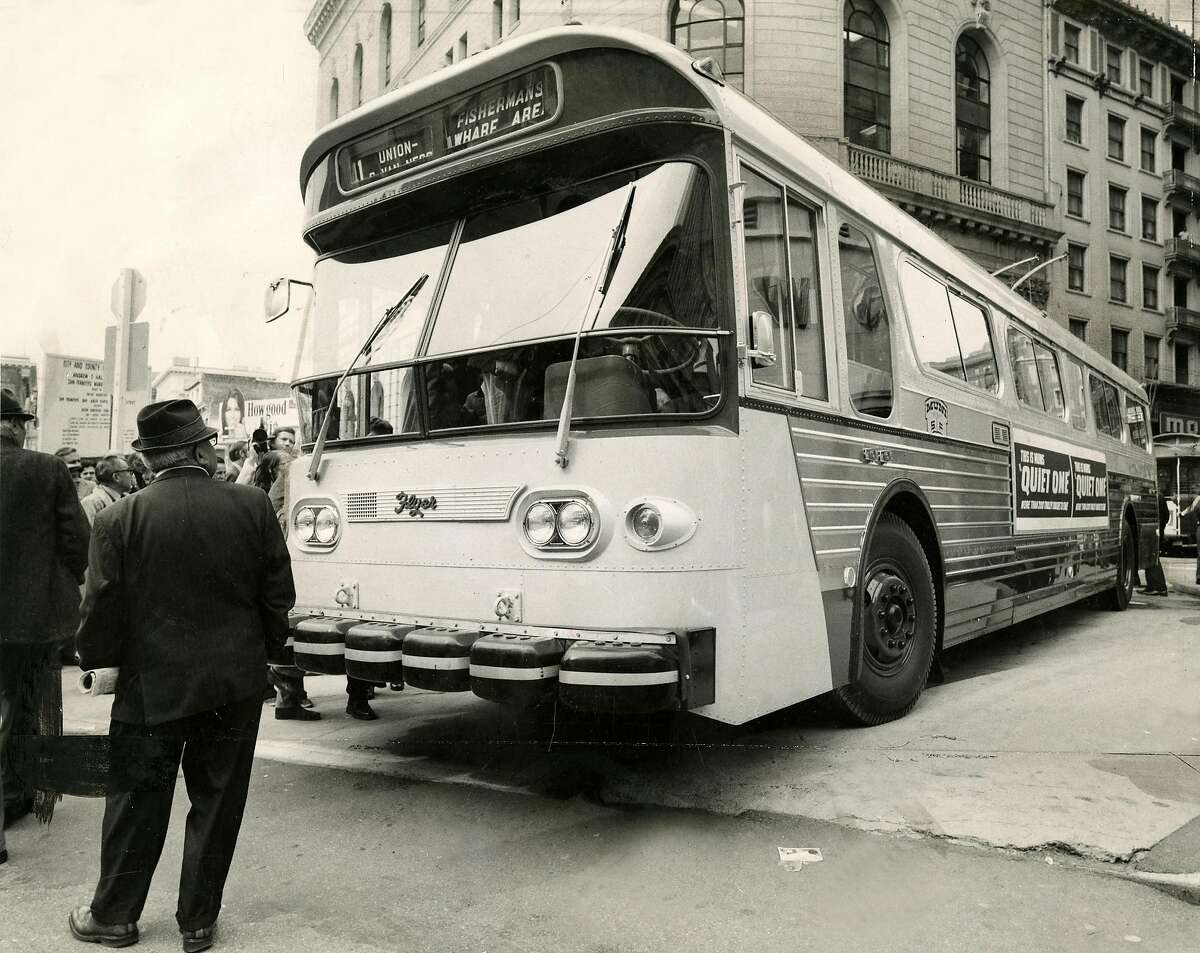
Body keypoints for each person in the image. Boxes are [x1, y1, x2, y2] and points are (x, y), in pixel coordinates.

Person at [70, 398, 294, 951]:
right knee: (218, 802)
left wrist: (98, 660)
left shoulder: (118, 518)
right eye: (211, 444)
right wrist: (262, 651)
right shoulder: (253, 506)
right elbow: (278, 597)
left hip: (151, 685)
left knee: (135, 801)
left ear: (150, 461)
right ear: (197, 449)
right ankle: (197, 922)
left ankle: (114, 916)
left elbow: (98, 613)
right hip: (234, 682)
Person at [0, 389, 90, 865]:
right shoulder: (44, 469)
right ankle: (17, 791)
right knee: (26, 704)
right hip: (29, 616)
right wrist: (70, 579)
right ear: (12, 424)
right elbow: (77, 540)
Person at [79, 454, 137, 525]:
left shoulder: (128, 498)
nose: (132, 475)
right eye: (129, 471)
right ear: (116, 477)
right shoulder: (91, 503)